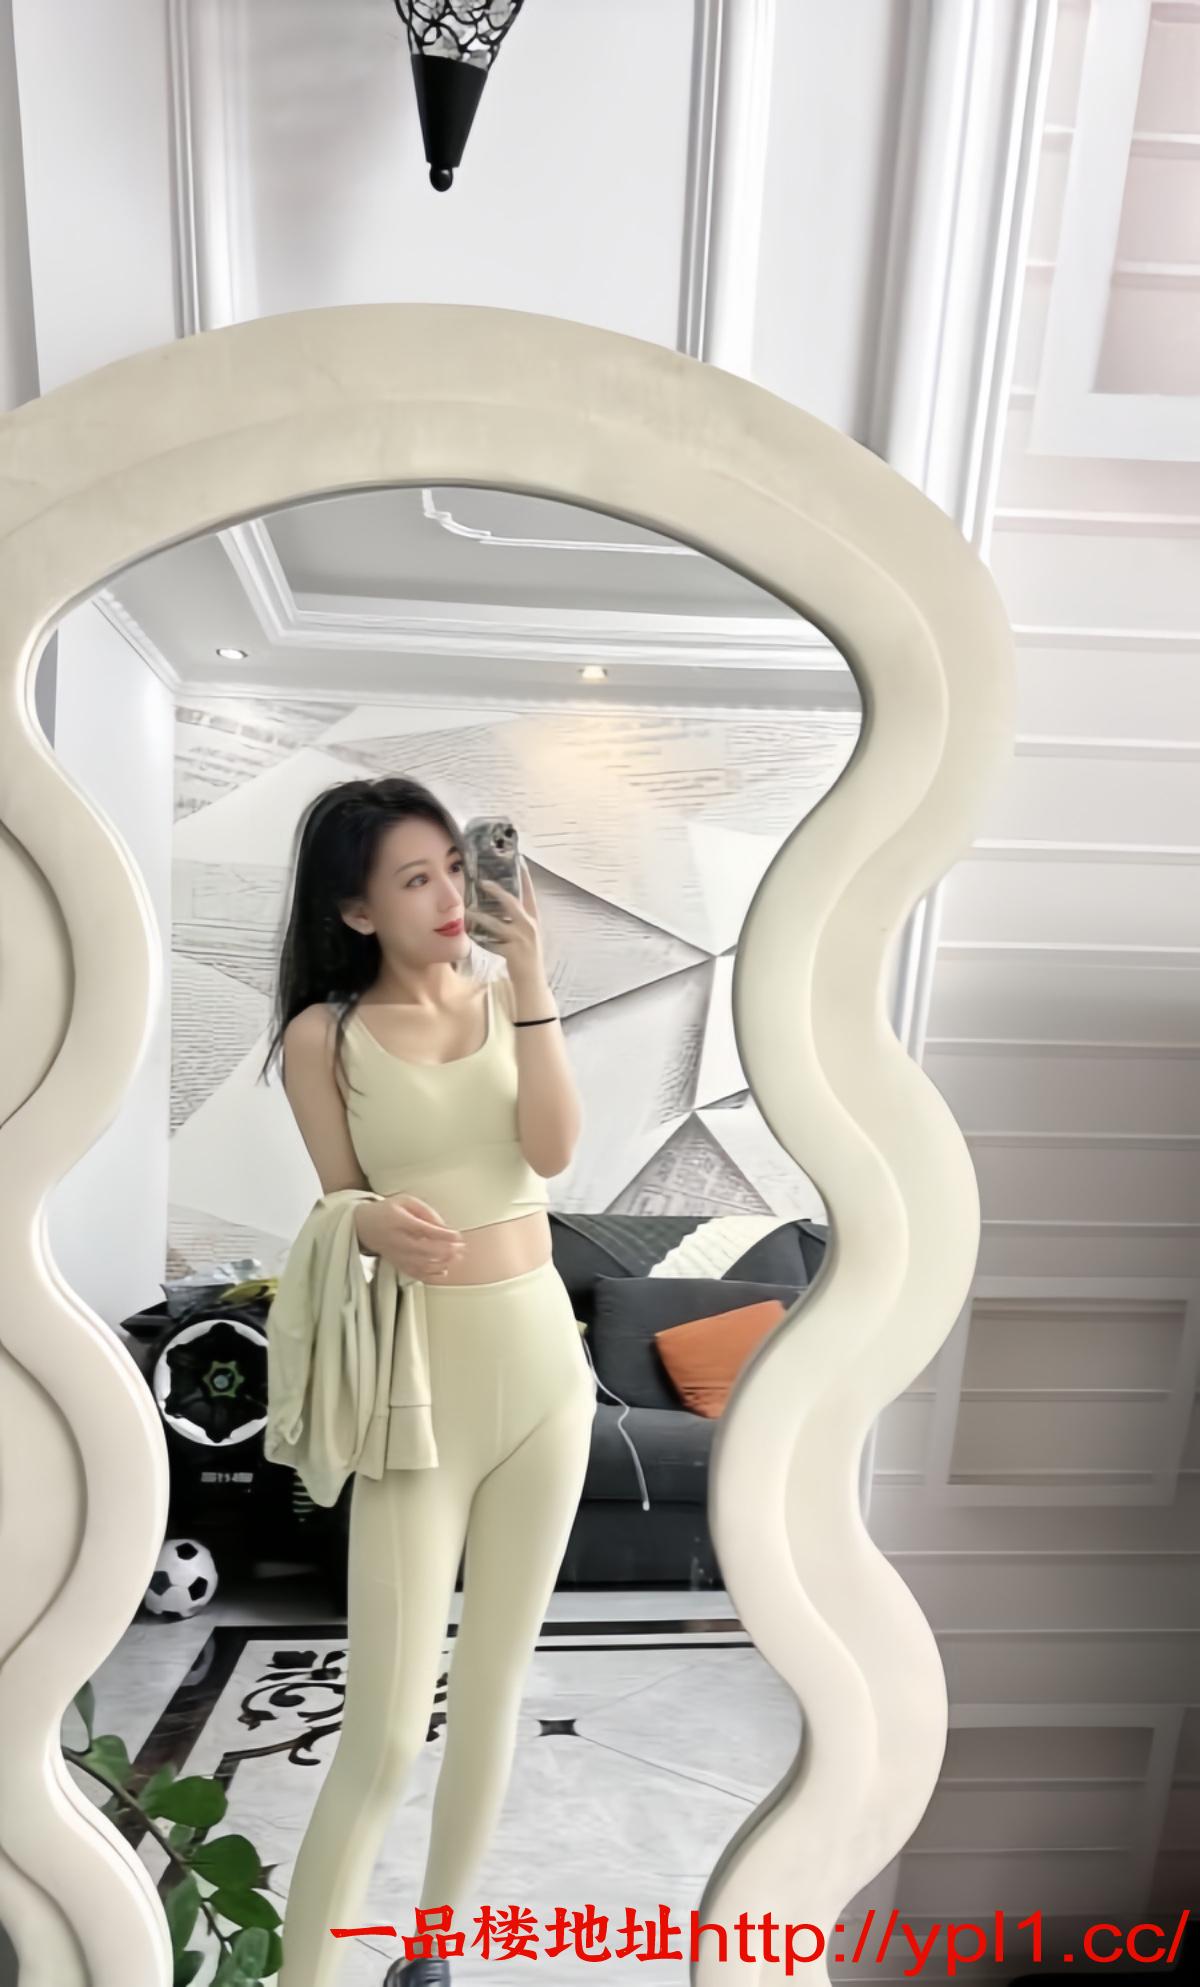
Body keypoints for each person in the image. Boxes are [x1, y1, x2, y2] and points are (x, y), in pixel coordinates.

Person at [262, 776, 597, 1987]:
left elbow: (553, 1151)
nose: (451, 893)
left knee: (495, 1691)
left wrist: (536, 980)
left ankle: (434, 1955)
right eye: (417, 878)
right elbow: (337, 1198)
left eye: (456, 865)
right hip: (422, 1391)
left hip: (546, 1375)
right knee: (389, 1727)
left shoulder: (513, 999)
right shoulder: (325, 1037)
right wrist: (367, 1224)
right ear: (357, 911)